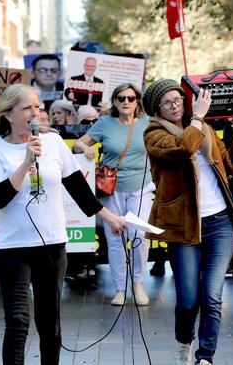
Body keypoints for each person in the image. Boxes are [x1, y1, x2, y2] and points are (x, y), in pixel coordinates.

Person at [0, 84, 125, 365]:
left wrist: (111, 219)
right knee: (17, 321)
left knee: (50, 323)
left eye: (37, 107)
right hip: (12, 246)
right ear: (9, 115)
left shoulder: (54, 142)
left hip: (51, 245)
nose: (35, 113)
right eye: (27, 108)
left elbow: (78, 188)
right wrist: (25, 163)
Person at [142, 79, 233, 365]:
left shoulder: (203, 128)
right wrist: (197, 118)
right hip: (184, 227)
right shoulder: (154, 133)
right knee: (187, 302)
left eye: (178, 100)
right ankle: (184, 342)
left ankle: (205, 358)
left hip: (220, 223)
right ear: (157, 108)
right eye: (167, 102)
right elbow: (182, 150)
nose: (175, 106)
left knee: (212, 296)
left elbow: (229, 165)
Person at [72, 83, 153, 306]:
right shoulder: (105, 123)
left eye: (130, 98)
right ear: (115, 101)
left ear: (138, 101)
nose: (126, 102)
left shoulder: (148, 123)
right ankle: (120, 288)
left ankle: (137, 283)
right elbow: (78, 144)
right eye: (120, 98)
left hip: (141, 186)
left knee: (139, 236)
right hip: (111, 187)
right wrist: (85, 147)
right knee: (115, 238)